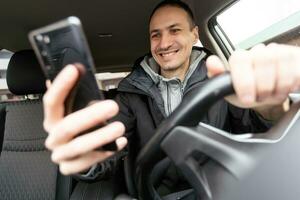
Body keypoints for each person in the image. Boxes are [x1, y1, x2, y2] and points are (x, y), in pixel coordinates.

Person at [43, 0, 300, 197]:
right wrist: (83, 148)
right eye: (156, 34)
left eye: (174, 30)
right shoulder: (130, 94)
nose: (164, 43)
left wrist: (271, 108)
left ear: (194, 34)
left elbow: (256, 137)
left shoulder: (222, 80)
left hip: (219, 191)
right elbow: (107, 150)